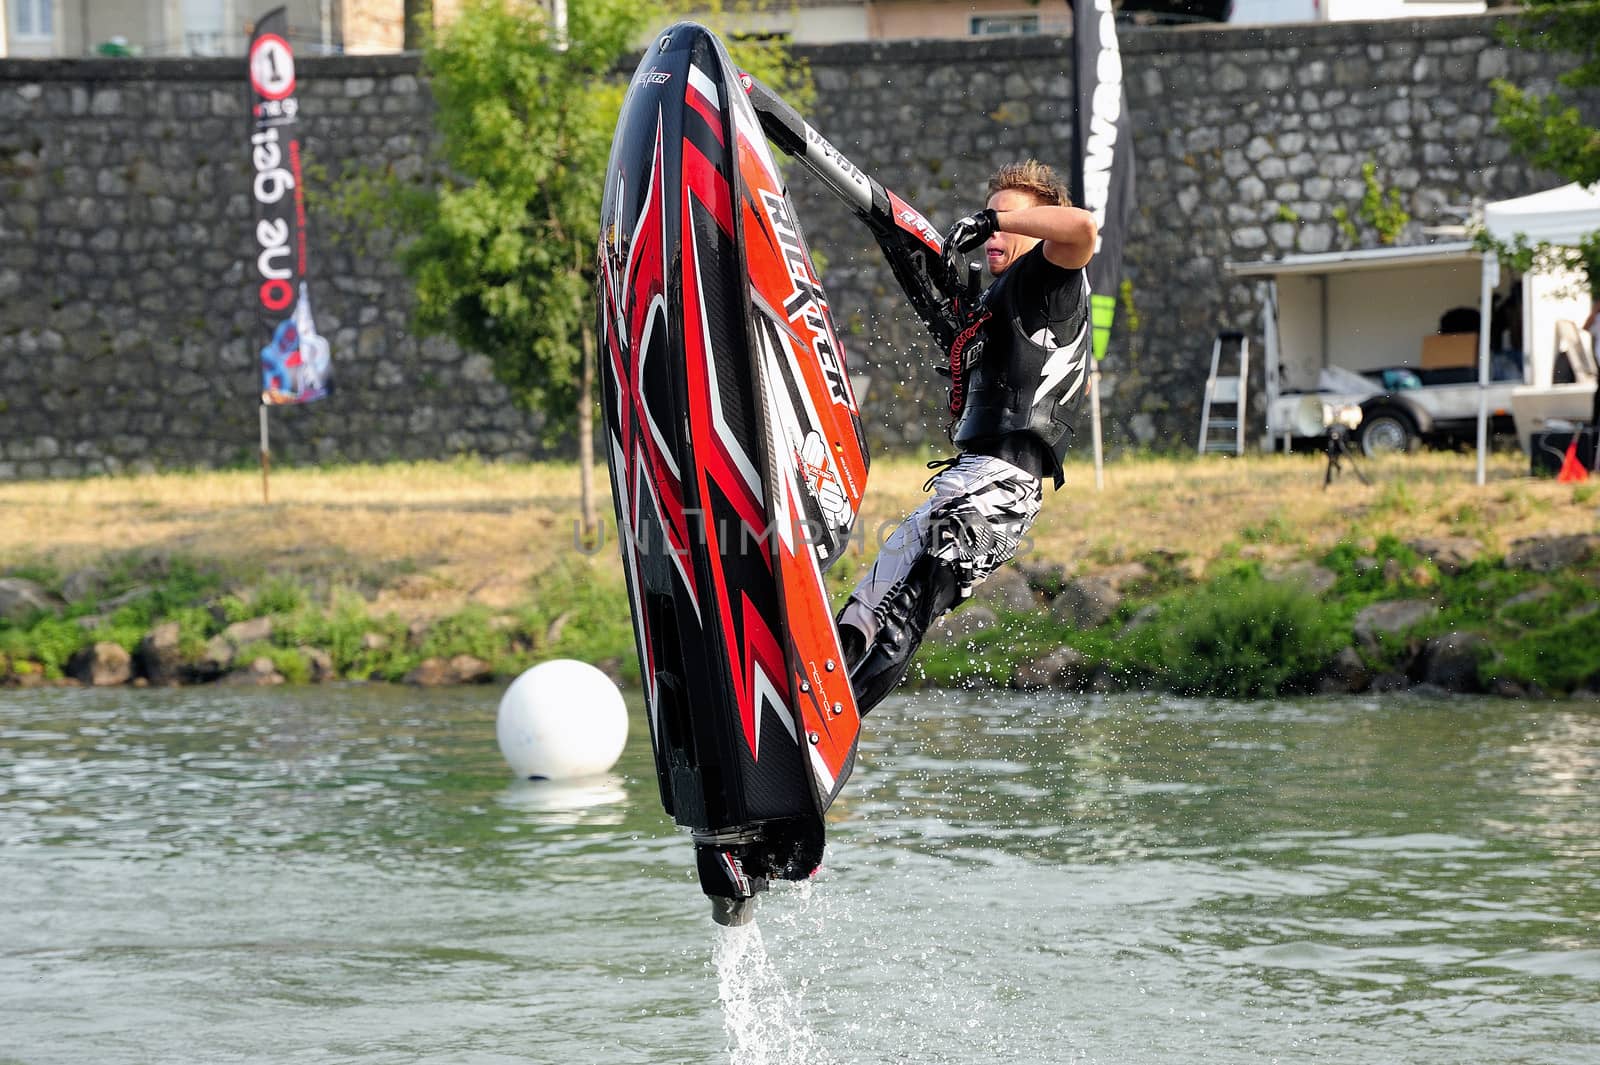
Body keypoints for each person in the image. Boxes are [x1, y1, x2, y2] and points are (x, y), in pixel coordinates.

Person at [836, 160, 1098, 714]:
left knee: (907, 607)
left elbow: (1083, 230)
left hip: (1004, 490)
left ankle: (835, 723)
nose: (995, 234)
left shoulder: (1054, 285)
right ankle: (809, 688)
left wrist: (987, 218)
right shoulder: (990, 301)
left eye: (1010, 221)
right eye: (993, 220)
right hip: (964, 483)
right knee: (865, 607)